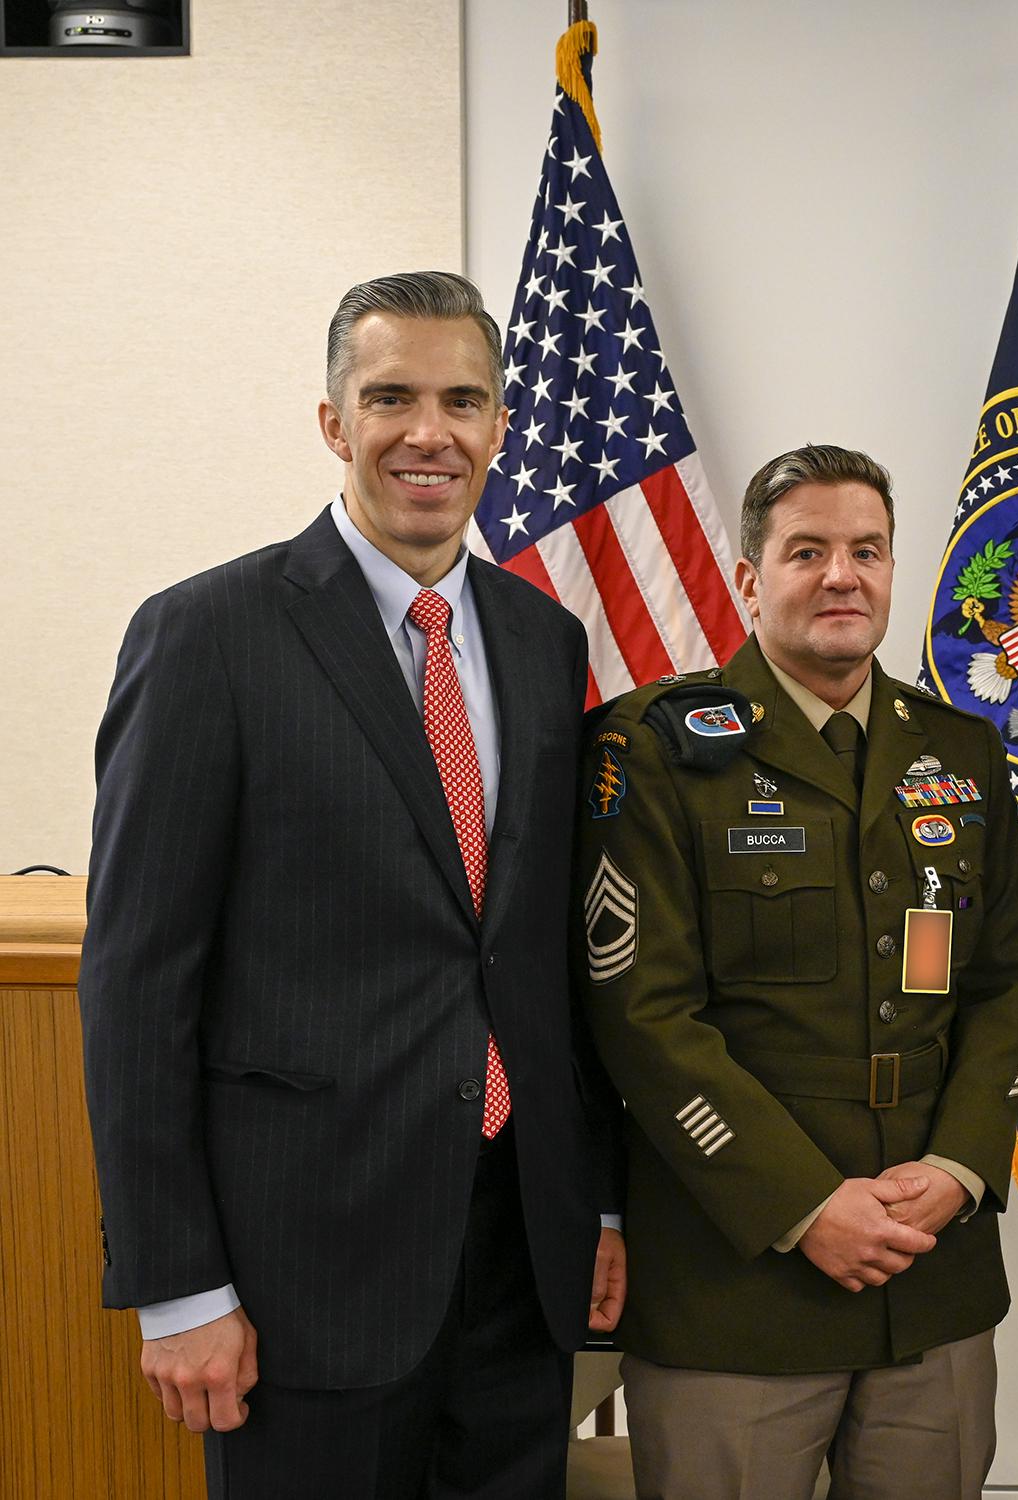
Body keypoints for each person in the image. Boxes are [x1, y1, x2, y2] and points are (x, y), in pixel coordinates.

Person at [77, 270, 626, 1499]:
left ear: (498, 427)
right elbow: (134, 987)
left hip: (515, 1260)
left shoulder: (544, 644)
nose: (429, 432)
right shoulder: (207, 635)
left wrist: (597, 1204)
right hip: (298, 1279)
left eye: (463, 401)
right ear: (334, 422)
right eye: (391, 397)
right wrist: (177, 1285)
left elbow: (541, 957)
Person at [575, 443, 1018, 1498]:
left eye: (867, 550)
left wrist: (964, 1168)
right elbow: (640, 1014)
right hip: (736, 1288)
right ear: (749, 579)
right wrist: (804, 1205)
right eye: (808, 551)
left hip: (932, 1275)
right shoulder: (653, 748)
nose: (843, 575)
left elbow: (1010, 977)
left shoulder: (960, 752)